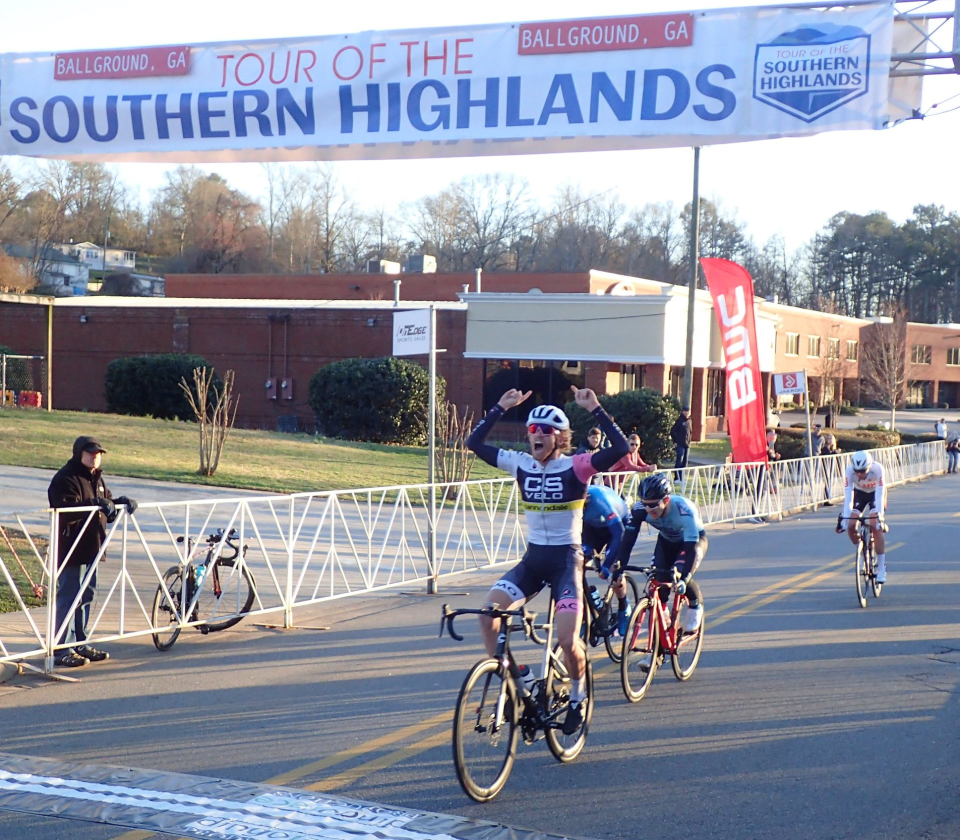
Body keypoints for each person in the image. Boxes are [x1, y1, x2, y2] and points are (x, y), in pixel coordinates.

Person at [466, 387, 629, 735]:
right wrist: (498, 406)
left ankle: (577, 696)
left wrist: (596, 408)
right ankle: (517, 676)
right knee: (487, 616)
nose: (536, 435)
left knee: (569, 640)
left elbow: (621, 449)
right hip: (534, 561)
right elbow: (475, 444)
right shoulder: (520, 463)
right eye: (532, 429)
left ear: (560, 439)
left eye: (545, 431)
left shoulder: (578, 466)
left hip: (566, 563)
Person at [47, 436, 138, 668]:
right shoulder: (66, 478)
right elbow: (64, 509)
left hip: (92, 547)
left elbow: (104, 504)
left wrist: (119, 503)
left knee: (86, 596)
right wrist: (96, 503)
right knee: (69, 596)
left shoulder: (96, 478)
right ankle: (60, 649)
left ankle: (80, 642)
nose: (95, 457)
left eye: (98, 453)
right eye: (90, 453)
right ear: (79, 453)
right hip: (71, 549)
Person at [613, 473, 707, 670]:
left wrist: (684, 577)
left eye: (654, 504)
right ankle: (657, 651)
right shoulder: (640, 510)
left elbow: (690, 550)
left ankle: (695, 606)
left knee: (678, 574)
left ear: (666, 500)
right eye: (645, 504)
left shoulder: (684, 511)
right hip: (666, 542)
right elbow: (628, 540)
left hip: (691, 542)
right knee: (658, 592)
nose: (649, 509)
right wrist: (620, 565)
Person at [581, 484, 632, 635]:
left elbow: (619, 533)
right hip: (593, 527)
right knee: (575, 565)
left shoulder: (598, 500)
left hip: (618, 526)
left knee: (612, 570)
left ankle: (624, 607)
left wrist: (607, 564)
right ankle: (586, 611)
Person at [836, 450, 888, 583]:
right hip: (860, 493)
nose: (859, 474)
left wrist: (879, 516)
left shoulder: (878, 469)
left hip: (875, 494)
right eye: (856, 471)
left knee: (874, 524)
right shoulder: (849, 471)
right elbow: (848, 495)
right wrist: (846, 519)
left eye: (863, 471)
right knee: (851, 525)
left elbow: (880, 493)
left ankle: (881, 568)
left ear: (869, 467)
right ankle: (862, 553)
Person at [671, 407, 692, 475]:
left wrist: (689, 441)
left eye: (688, 411)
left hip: (687, 444)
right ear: (683, 412)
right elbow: (673, 431)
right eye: (685, 411)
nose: (687, 413)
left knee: (685, 461)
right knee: (679, 460)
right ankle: (677, 477)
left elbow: (690, 432)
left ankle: (682, 477)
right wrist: (675, 441)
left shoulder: (689, 421)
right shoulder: (680, 420)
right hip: (680, 444)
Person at [820, 433, 840, 504]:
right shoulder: (825, 448)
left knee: (830, 483)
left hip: (831, 467)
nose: (830, 440)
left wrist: (836, 451)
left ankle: (828, 498)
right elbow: (828, 454)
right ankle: (826, 499)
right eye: (828, 439)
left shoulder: (833, 448)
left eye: (831, 439)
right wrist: (835, 452)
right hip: (826, 467)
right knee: (827, 482)